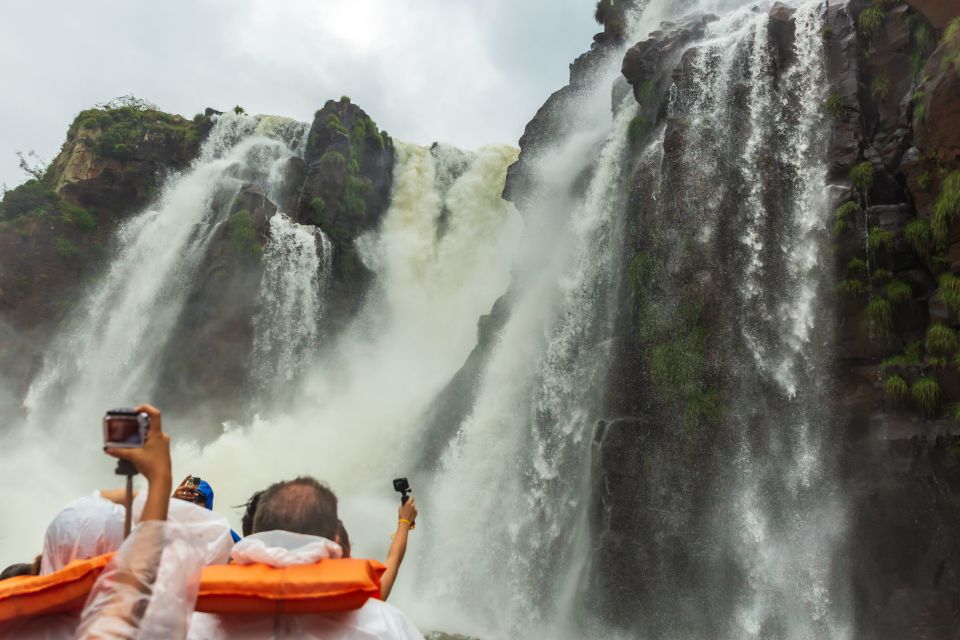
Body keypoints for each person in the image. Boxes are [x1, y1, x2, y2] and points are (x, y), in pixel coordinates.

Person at [189, 476, 424, 640]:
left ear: (257, 532)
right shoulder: (380, 622)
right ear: (333, 539)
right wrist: (404, 523)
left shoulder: (198, 623)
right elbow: (391, 563)